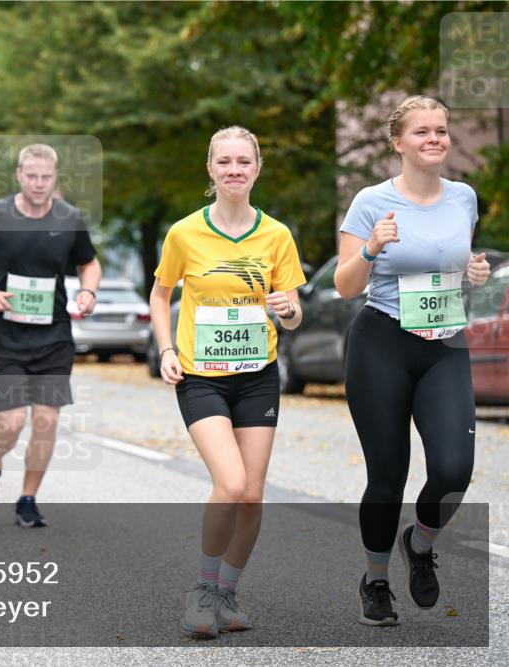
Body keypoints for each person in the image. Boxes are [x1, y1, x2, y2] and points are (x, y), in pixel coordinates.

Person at [334, 96, 490, 627]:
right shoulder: (371, 202)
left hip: (444, 343)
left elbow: (452, 264)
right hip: (382, 343)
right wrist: (371, 248)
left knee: (454, 469)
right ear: (398, 142)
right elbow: (345, 286)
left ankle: (419, 544)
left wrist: (473, 274)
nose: (434, 139)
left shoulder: (464, 198)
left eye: (441, 130)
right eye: (422, 131)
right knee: (388, 475)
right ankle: (376, 581)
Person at [149, 126, 306, 638]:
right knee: (231, 484)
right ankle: (201, 589)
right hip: (202, 377)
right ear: (211, 169)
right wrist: (166, 349)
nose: (234, 170)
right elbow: (160, 295)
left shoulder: (276, 235)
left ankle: (226, 593)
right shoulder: (184, 233)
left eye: (243, 161)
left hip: (258, 376)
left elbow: (293, 314)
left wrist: (287, 310)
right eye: (225, 161)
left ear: (257, 169)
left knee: (253, 495)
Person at [0, 143, 101, 528]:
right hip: (3, 337)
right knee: (10, 422)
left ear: (55, 178)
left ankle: (27, 499)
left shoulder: (70, 219)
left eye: (46, 177)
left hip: (53, 338)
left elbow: (89, 263)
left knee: (46, 422)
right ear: (19, 176)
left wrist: (88, 291)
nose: (39, 183)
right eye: (32, 176)